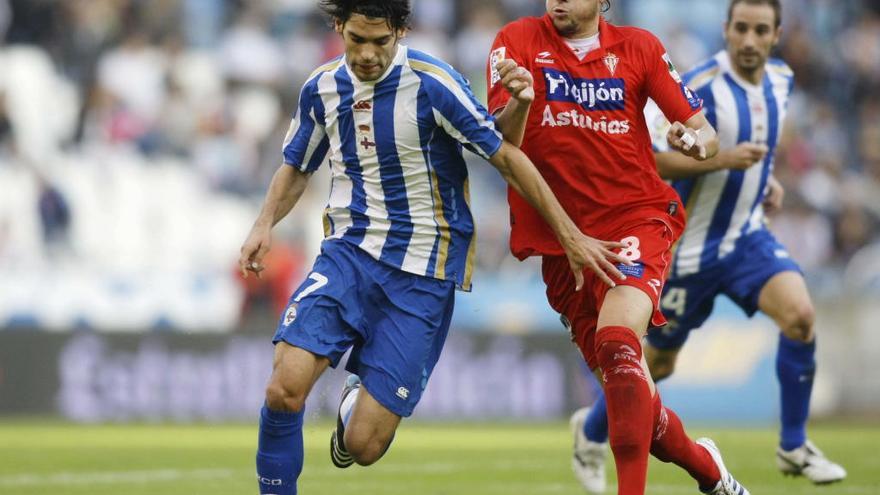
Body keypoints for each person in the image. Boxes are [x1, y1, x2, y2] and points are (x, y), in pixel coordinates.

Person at [239, 1, 628, 494]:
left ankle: (354, 404)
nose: (367, 54)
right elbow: (297, 165)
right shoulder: (320, 88)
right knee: (284, 386)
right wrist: (263, 224)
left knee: (364, 446)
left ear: (401, 31)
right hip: (348, 254)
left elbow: (504, 155)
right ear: (339, 27)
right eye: (357, 39)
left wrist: (570, 236)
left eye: (380, 41)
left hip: (424, 274)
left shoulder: (433, 84)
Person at [571, 0, 847, 491]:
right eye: (740, 28)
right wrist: (722, 162)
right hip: (686, 251)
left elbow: (756, 145)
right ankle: (589, 432)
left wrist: (765, 182)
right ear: (726, 29)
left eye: (760, 30)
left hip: (744, 240)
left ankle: (794, 443)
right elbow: (650, 162)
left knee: (801, 316)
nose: (749, 39)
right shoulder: (696, 85)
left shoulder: (781, 81)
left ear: (776, 35)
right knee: (653, 364)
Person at [487, 1, 750, 494]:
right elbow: (503, 147)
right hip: (560, 241)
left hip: (637, 217)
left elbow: (704, 133)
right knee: (636, 402)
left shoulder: (639, 47)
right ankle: (711, 471)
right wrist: (520, 100)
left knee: (616, 339)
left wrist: (695, 144)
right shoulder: (516, 40)